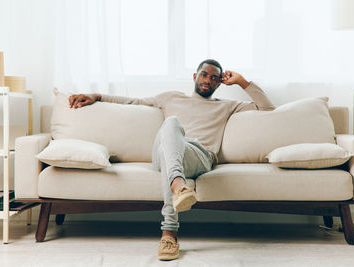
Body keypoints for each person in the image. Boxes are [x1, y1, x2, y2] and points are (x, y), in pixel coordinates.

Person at [69, 59, 275, 261]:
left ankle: (169, 233)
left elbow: (267, 108)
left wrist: (241, 81)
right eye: (204, 75)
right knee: (172, 122)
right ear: (195, 76)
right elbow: (132, 102)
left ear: (219, 83)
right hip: (164, 153)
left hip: (199, 157)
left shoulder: (227, 106)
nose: (207, 80)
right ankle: (178, 186)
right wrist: (95, 95)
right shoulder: (171, 98)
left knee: (172, 152)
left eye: (214, 78)